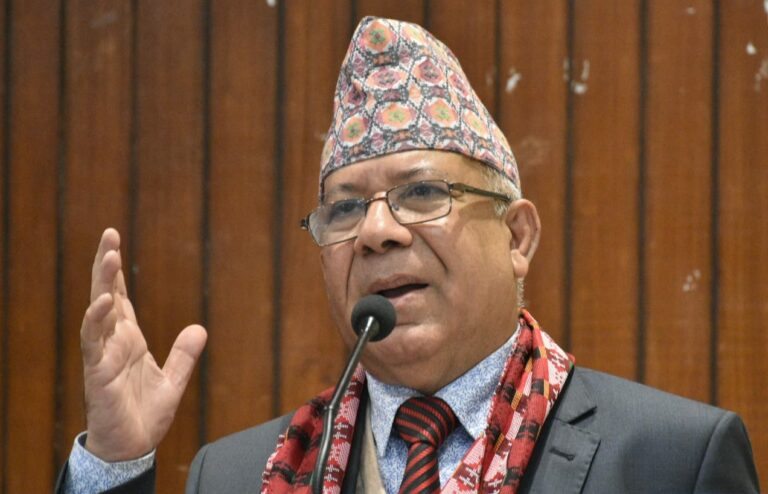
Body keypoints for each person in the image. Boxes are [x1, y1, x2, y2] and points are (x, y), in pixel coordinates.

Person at [58, 17, 759, 494]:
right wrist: (115, 464)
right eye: (344, 209)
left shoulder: (672, 460)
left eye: (422, 193)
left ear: (517, 237)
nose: (375, 231)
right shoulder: (239, 475)